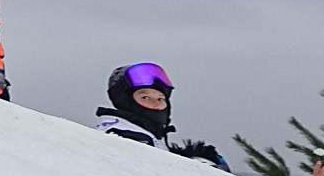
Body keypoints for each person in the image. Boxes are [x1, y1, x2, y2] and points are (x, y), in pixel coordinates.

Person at [93, 63, 230, 167]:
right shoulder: (124, 134)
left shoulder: (148, 134)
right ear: (126, 102)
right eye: (146, 98)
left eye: (160, 99)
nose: (156, 105)